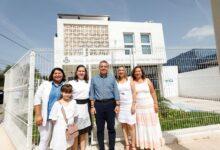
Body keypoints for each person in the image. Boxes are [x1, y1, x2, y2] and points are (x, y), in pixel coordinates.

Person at [89, 60, 120, 150]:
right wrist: (92, 106)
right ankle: (101, 147)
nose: (103, 68)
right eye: (101, 66)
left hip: (111, 104)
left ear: (108, 67)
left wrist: (117, 105)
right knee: (100, 128)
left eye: (105, 66)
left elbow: (116, 92)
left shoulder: (112, 78)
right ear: (99, 68)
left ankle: (111, 147)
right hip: (98, 105)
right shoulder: (94, 79)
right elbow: (92, 93)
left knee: (111, 127)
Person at [34, 68, 66, 150]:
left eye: (59, 73)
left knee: (60, 140)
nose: (57, 75)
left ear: (63, 75)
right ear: (52, 75)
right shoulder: (45, 84)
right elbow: (37, 98)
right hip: (47, 117)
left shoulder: (65, 85)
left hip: (60, 118)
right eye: (55, 73)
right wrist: (38, 115)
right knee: (44, 139)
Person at [132, 66, 163, 150]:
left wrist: (156, 104)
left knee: (151, 125)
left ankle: (153, 144)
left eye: (139, 71)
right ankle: (145, 145)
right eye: (136, 71)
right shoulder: (132, 82)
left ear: (142, 72)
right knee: (142, 126)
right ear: (134, 73)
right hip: (139, 109)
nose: (137, 73)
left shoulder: (147, 81)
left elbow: (153, 92)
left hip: (149, 108)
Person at [69, 65, 92, 150]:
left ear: (85, 72)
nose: (81, 72)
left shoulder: (88, 82)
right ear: (76, 72)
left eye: (83, 71)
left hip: (85, 108)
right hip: (74, 108)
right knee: (75, 133)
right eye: (79, 71)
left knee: (83, 132)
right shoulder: (71, 82)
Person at [49, 84, 78, 150]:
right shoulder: (57, 103)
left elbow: (75, 115)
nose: (67, 94)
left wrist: (71, 124)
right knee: (59, 145)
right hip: (59, 129)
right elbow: (53, 118)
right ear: (61, 92)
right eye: (65, 92)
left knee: (68, 145)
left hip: (69, 128)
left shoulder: (73, 102)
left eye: (69, 92)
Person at [116, 66, 137, 150]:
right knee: (123, 125)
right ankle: (127, 144)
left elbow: (134, 92)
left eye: (122, 70)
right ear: (117, 72)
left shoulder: (129, 79)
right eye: (119, 70)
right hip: (121, 106)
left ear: (125, 71)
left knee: (131, 125)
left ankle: (133, 145)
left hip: (129, 105)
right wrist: (117, 105)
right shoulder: (116, 81)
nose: (121, 71)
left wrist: (133, 104)